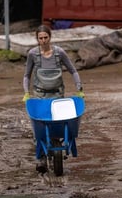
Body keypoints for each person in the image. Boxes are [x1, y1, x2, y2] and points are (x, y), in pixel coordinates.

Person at [22, 24, 84, 173]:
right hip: (40, 95)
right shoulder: (33, 54)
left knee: (57, 122)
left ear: (50, 37)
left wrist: (79, 87)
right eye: (40, 38)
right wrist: (26, 92)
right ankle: (41, 157)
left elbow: (73, 70)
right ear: (37, 39)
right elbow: (27, 75)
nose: (43, 41)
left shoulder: (59, 53)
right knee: (40, 126)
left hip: (57, 95)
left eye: (45, 37)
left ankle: (56, 146)